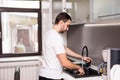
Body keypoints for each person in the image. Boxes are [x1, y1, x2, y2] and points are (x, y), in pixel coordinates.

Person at [39, 12, 92, 80]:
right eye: (67, 25)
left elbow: (65, 49)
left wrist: (82, 57)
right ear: (61, 23)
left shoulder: (48, 34)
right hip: (52, 77)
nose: (67, 29)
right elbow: (65, 63)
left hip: (44, 75)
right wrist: (78, 67)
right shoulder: (56, 37)